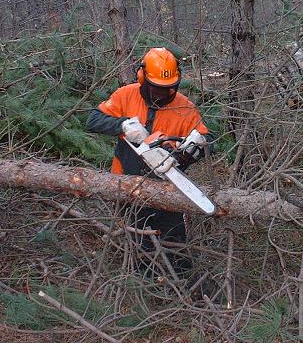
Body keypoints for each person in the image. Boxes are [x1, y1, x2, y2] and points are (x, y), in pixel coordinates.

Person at [86, 47, 211, 277]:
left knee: (175, 243)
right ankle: (145, 285)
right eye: (156, 88)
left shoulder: (185, 108)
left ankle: (180, 285)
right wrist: (121, 125)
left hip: (168, 187)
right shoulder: (126, 95)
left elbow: (206, 139)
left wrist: (193, 147)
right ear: (143, 77)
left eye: (167, 88)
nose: (162, 93)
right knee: (138, 242)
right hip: (127, 183)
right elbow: (93, 119)